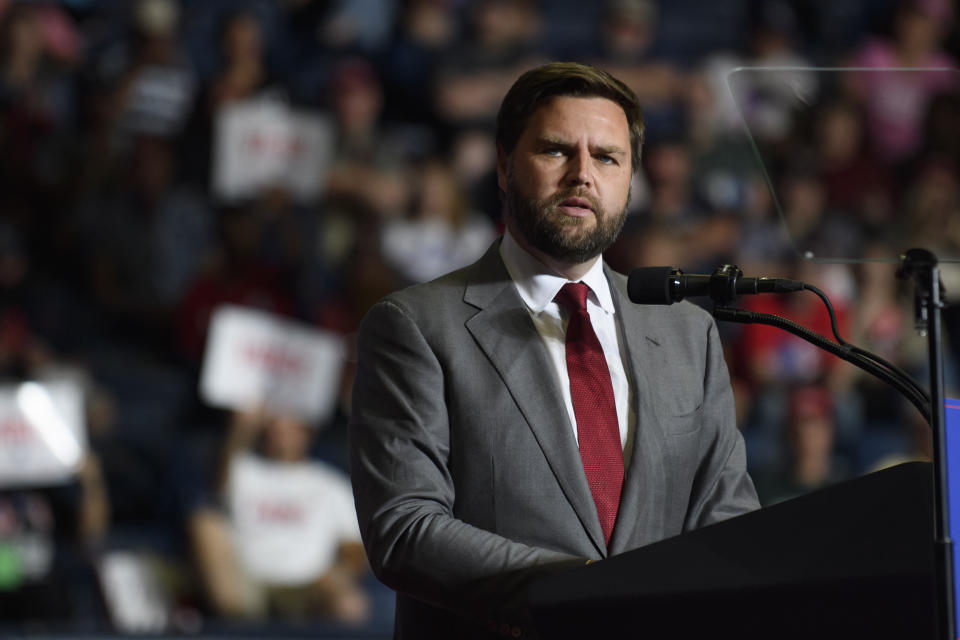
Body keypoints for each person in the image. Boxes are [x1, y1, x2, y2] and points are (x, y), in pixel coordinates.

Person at [349, 61, 759, 639]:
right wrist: (585, 592)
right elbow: (405, 529)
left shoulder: (689, 333)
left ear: (630, 181)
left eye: (607, 157)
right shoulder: (415, 326)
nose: (582, 175)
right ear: (502, 165)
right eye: (555, 151)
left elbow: (728, 525)